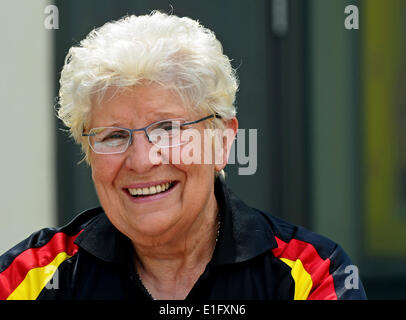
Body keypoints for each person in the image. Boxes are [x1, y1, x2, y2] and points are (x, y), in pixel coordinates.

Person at [0, 11, 366, 300]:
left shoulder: (310, 274)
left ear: (221, 142)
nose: (142, 160)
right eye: (113, 136)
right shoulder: (31, 278)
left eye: (168, 129)